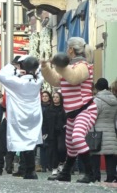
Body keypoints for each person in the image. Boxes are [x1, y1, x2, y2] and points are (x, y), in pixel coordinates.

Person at [41, 37, 97, 183]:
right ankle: (66, 173)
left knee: (77, 138)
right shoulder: (69, 67)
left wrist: (59, 64)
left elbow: (73, 78)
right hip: (72, 113)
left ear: (71, 49)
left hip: (85, 110)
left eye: (67, 48)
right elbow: (54, 80)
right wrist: (45, 67)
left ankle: (90, 174)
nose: (66, 51)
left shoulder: (84, 66)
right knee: (70, 146)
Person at [0, 55, 44, 179]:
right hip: (34, 115)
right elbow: (39, 73)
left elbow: (1, 75)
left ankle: (29, 170)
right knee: (31, 141)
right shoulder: (37, 81)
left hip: (19, 114)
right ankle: (30, 170)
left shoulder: (17, 82)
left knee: (23, 141)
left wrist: (15, 69)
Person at [90, 78, 117, 182]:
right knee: (110, 154)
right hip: (110, 130)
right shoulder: (115, 100)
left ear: (97, 87)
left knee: (95, 154)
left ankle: (96, 176)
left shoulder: (96, 100)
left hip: (97, 131)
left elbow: (93, 116)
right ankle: (111, 177)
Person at [45, 92, 67, 178]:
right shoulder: (48, 109)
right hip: (52, 132)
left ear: (60, 98)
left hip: (62, 132)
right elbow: (45, 122)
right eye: (54, 97)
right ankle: (54, 168)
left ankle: (61, 162)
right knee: (53, 150)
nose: (55, 99)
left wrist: (65, 124)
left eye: (57, 97)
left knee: (61, 148)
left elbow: (67, 119)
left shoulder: (64, 109)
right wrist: (45, 132)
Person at [39, 91, 52, 172]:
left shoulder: (51, 106)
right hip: (41, 129)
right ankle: (43, 165)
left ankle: (50, 165)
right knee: (42, 147)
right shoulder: (38, 106)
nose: (44, 97)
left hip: (50, 128)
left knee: (50, 148)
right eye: (43, 96)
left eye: (46, 96)